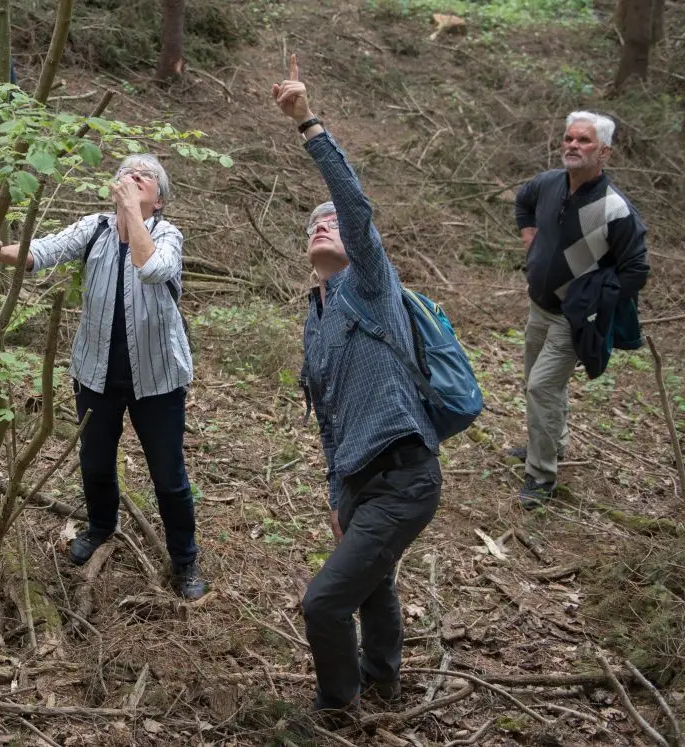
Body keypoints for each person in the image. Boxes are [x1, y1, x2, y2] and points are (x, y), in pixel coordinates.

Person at [272, 55, 442, 718]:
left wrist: (308, 123)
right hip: (361, 480)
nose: (322, 223)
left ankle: (337, 705)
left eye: (330, 220)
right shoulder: (317, 319)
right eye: (311, 221)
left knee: (324, 600)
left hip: (406, 476)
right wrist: (338, 494)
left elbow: (354, 204)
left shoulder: (371, 286)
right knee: (373, 584)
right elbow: (329, 422)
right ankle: (383, 680)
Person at [0, 154, 205, 600]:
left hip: (158, 379)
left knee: (168, 475)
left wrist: (133, 214)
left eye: (147, 177)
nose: (134, 176)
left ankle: (184, 559)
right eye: (127, 171)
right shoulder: (94, 227)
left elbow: (153, 268)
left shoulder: (167, 234)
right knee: (95, 462)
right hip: (96, 373)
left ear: (159, 201)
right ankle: (101, 526)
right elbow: (42, 252)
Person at [511, 111, 649, 510]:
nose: (573, 145)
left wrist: (592, 298)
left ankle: (541, 474)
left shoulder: (614, 209)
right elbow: (523, 201)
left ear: (604, 151)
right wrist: (530, 239)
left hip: (569, 320)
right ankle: (553, 442)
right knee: (538, 385)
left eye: (584, 141)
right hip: (539, 307)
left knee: (541, 387)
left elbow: (636, 270)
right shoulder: (550, 183)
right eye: (569, 138)